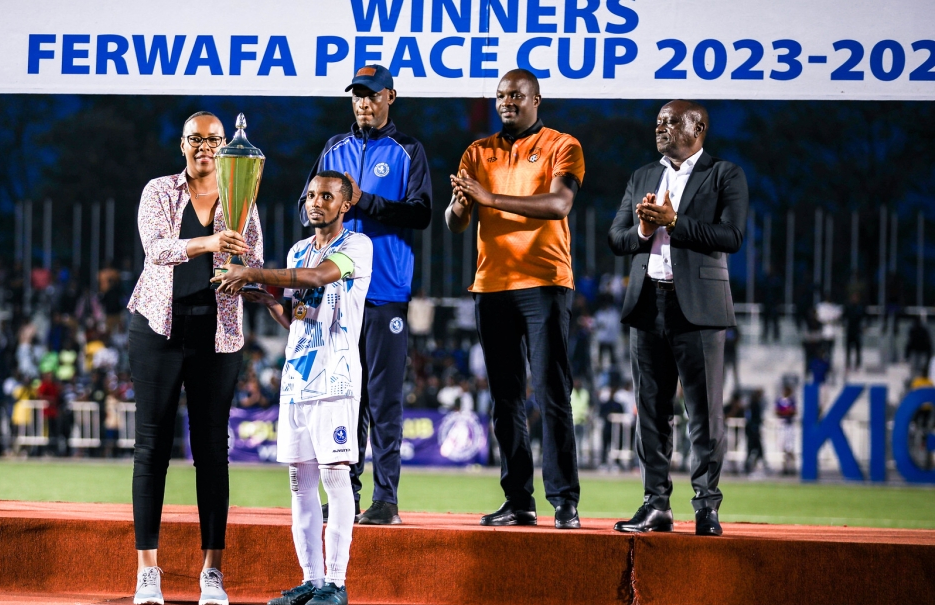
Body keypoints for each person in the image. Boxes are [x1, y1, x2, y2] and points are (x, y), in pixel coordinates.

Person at [215, 171, 372, 605]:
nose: (316, 202)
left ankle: (337, 583)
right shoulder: (298, 250)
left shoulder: (357, 247)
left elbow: (320, 278)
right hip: (297, 381)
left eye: (328, 196)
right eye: (312, 195)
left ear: (345, 206)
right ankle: (311, 579)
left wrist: (254, 271)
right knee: (299, 483)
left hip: (336, 381)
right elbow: (302, 316)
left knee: (335, 477)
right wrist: (270, 302)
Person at [126, 112, 263, 605]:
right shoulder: (158, 190)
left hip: (217, 332)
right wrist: (208, 243)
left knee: (212, 451)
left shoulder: (241, 196)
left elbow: (255, 259)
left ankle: (212, 573)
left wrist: (246, 273)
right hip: (157, 328)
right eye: (196, 140)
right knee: (152, 448)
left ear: (226, 146)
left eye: (214, 140)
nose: (205, 148)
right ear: (181, 144)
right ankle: (148, 571)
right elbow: (155, 249)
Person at [446, 68, 584, 529]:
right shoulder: (477, 151)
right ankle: (519, 499)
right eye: (502, 95)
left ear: (536, 100)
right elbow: (456, 223)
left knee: (551, 393)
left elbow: (559, 204)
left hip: (544, 283)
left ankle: (564, 500)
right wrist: (462, 205)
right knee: (505, 400)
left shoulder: (563, 146)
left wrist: (489, 195)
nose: (507, 101)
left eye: (517, 95)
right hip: (491, 286)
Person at [299, 65, 432, 526]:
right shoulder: (333, 148)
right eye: (357, 96)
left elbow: (421, 214)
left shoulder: (407, 150)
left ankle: (387, 499)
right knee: (343, 398)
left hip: (384, 292)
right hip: (335, 293)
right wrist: (321, 208)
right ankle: (345, 495)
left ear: (390, 97)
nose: (364, 104)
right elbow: (306, 204)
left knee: (383, 399)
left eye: (372, 96)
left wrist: (364, 201)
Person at [608, 100, 747, 537]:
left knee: (703, 412)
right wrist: (646, 232)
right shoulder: (643, 176)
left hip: (700, 309)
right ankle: (656, 505)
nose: (661, 129)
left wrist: (676, 221)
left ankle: (707, 507)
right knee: (650, 410)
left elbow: (732, 236)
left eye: (670, 122)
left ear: (698, 127)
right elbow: (616, 238)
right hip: (648, 302)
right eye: (658, 122)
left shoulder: (724, 174)